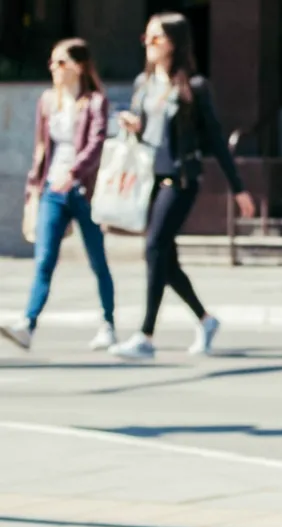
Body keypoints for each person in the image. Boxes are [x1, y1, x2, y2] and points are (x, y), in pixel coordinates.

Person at [108, 11, 256, 360]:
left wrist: (239, 188)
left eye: (156, 38)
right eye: (146, 38)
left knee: (155, 247)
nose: (149, 44)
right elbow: (150, 133)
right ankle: (205, 320)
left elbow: (217, 141)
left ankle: (146, 335)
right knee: (164, 257)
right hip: (150, 179)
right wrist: (134, 127)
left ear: (174, 42)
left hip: (182, 179)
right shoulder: (143, 85)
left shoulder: (194, 87)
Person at [2, 38, 118, 353]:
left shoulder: (95, 101)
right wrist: (34, 187)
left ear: (78, 66)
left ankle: (108, 323)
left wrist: (75, 172)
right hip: (53, 189)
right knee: (44, 259)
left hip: (84, 191)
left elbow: (95, 144)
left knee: (97, 260)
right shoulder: (47, 101)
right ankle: (28, 323)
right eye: (52, 62)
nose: (54, 67)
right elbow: (42, 148)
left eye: (61, 62)